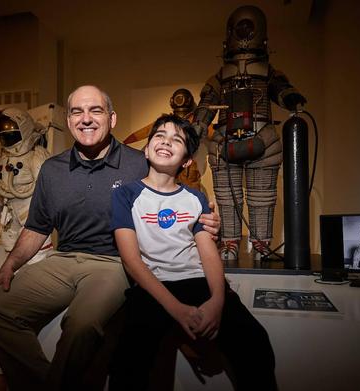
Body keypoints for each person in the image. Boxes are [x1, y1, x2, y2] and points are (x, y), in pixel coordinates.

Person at [0, 85, 220, 391]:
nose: (86, 119)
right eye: (77, 111)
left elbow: (175, 198)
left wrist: (205, 217)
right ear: (69, 121)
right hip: (62, 260)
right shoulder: (52, 169)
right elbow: (37, 227)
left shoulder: (139, 163)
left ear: (112, 118)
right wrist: (9, 265)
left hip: (114, 263)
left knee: (81, 325)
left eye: (96, 110)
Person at [108, 114, 277, 390]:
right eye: (159, 136)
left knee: (255, 342)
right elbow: (131, 259)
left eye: (177, 139)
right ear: (147, 148)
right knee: (128, 362)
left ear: (187, 160)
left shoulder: (195, 197)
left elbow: (207, 253)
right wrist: (177, 311)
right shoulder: (125, 195)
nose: (166, 142)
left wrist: (217, 301)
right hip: (153, 286)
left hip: (198, 282)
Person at [192, 5, 307, 261]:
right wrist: (197, 126)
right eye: (240, 28)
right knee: (227, 198)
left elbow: (281, 89)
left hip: (262, 139)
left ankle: (260, 244)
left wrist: (291, 98)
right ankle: (231, 242)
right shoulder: (219, 77)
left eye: (249, 27)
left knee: (262, 198)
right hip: (224, 141)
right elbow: (206, 104)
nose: (245, 32)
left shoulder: (268, 73)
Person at [0, 108, 53, 263]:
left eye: (11, 134)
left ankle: (35, 277)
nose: (8, 138)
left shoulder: (36, 155)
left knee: (36, 245)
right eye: (4, 136)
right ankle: (12, 274)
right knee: (9, 244)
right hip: (10, 208)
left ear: (24, 130)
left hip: (30, 207)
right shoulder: (5, 158)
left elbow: (47, 184)